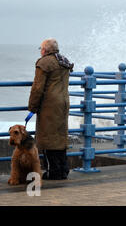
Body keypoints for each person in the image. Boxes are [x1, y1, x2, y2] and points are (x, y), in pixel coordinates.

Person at [28, 38, 74, 180]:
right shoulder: (64, 61)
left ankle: (53, 172)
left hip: (49, 105)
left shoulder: (44, 63)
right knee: (60, 137)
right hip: (64, 102)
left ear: (45, 50)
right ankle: (63, 169)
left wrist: (32, 107)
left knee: (47, 138)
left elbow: (37, 88)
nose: (40, 51)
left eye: (41, 48)